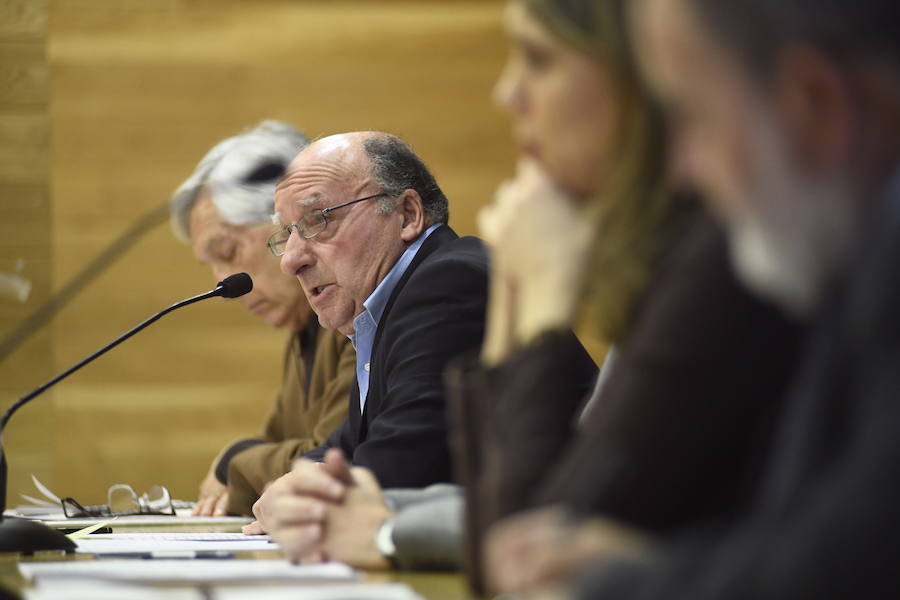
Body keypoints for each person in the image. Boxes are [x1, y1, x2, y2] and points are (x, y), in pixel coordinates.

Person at [250, 0, 803, 577]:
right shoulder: (680, 257)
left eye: (539, 59)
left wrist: (533, 306)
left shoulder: (448, 280)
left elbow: (536, 540)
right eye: (285, 235)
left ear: (646, 78)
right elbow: (541, 522)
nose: (508, 94)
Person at [488, 0, 900, 597]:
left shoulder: (748, 259)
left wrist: (634, 584)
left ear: (818, 106)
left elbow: (851, 561)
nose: (683, 168)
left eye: (690, 115)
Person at [246, 131, 568, 540]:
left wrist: (300, 494)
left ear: (408, 214)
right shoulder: (385, 311)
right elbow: (349, 446)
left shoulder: (449, 284)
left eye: (317, 221)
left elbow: (398, 473)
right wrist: (297, 480)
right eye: (287, 233)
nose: (291, 260)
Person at [169, 120, 355, 516]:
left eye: (228, 252)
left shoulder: (353, 313)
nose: (222, 283)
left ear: (286, 226)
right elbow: (275, 449)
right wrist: (246, 463)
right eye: (211, 264)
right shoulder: (304, 324)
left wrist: (235, 461)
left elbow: (332, 457)